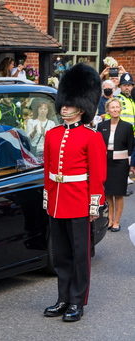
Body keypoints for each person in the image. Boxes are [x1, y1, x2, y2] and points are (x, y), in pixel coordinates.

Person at [43, 63, 106, 322]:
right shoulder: (52, 134)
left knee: (80, 256)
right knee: (61, 255)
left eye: (69, 105)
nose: (64, 108)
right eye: (63, 104)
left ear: (81, 107)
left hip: (79, 202)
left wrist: (95, 204)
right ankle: (63, 298)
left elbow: (98, 174)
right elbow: (47, 169)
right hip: (57, 202)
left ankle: (77, 301)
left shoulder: (92, 137)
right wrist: (47, 196)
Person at [97, 98, 134, 232]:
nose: (115, 109)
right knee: (108, 193)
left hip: (121, 165)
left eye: (117, 107)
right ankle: (110, 219)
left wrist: (131, 165)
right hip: (106, 163)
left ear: (120, 109)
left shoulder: (127, 126)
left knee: (118, 194)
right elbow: (98, 146)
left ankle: (117, 221)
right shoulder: (101, 126)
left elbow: (131, 147)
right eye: (112, 107)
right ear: (107, 110)